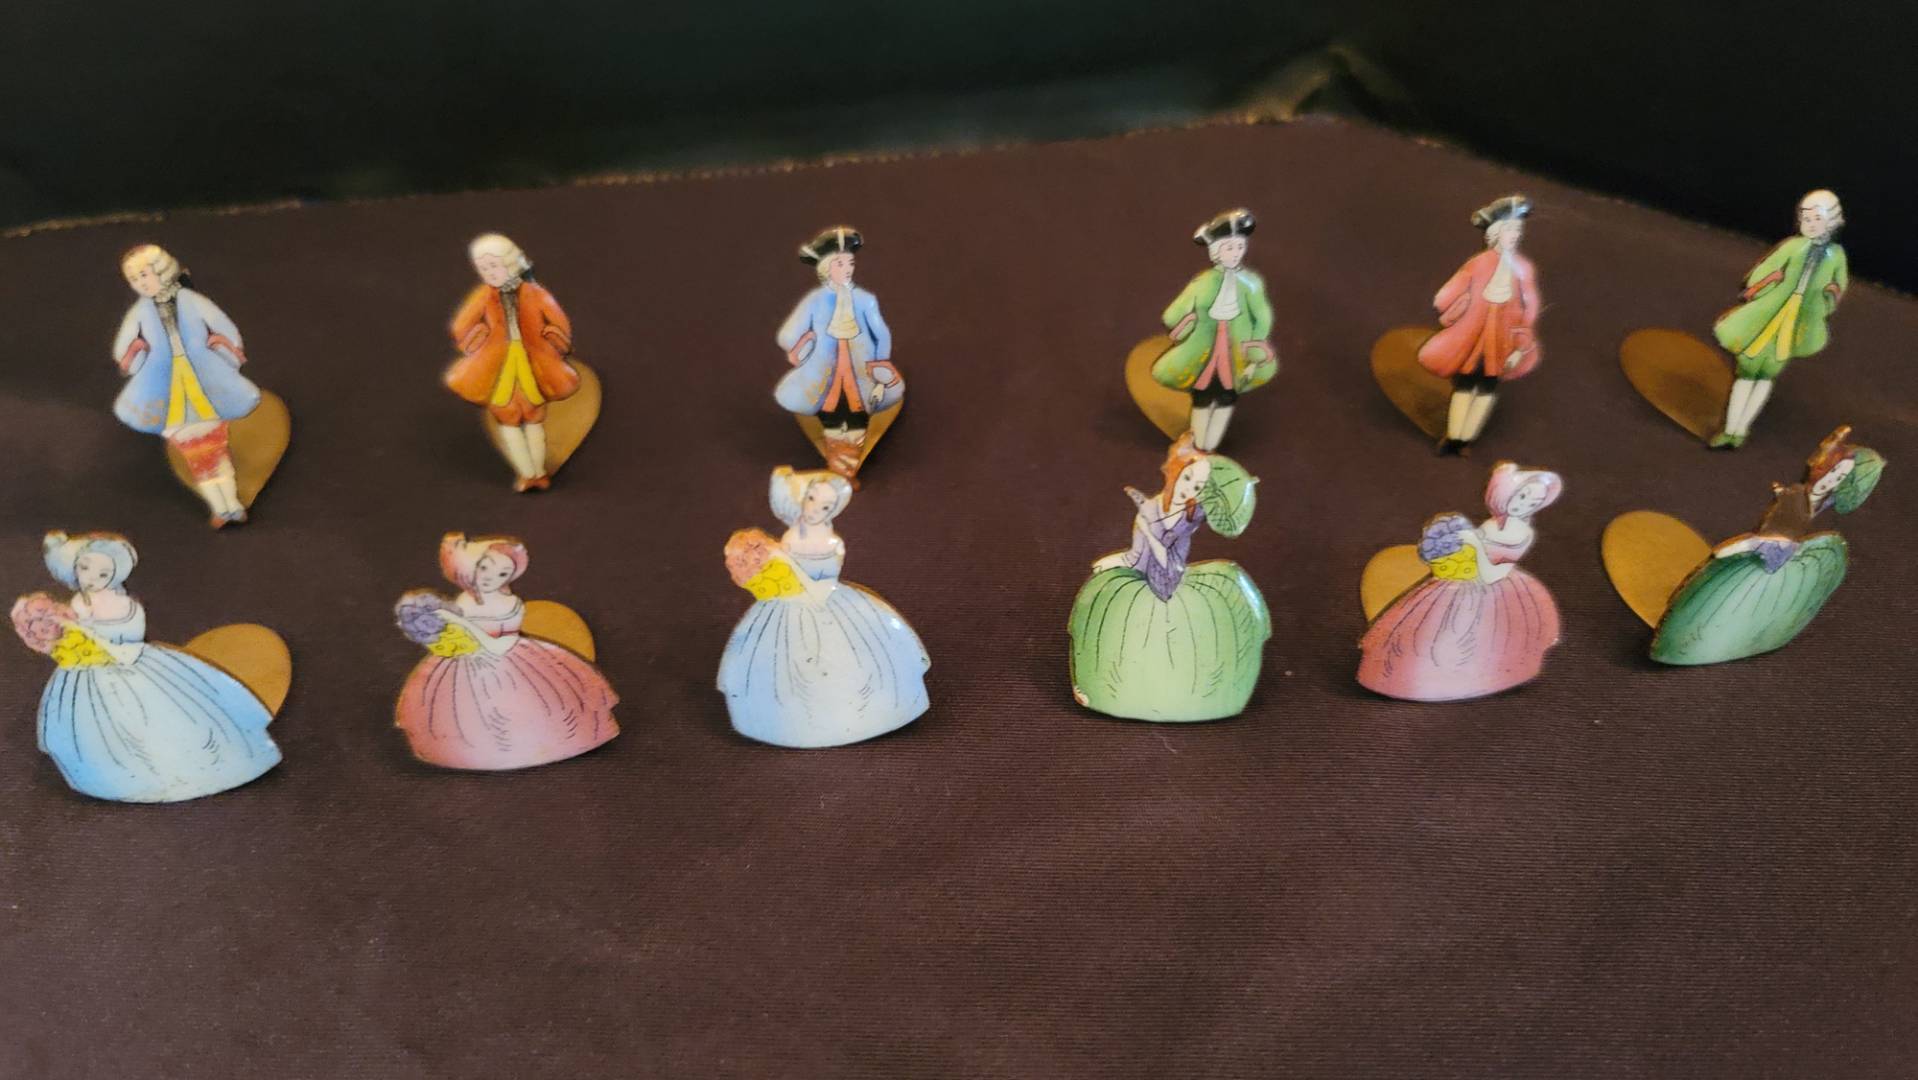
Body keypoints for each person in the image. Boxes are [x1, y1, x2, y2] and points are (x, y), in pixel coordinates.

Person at [15, 532, 281, 801]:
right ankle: (110, 775)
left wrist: (93, 634)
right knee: (91, 725)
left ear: (115, 575)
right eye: (85, 568)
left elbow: (130, 635)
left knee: (157, 711)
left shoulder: (123, 605)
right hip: (84, 674)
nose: (92, 578)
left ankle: (180, 768)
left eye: (103, 573)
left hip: (126, 663)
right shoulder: (75, 604)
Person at [720, 467, 930, 747]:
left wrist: (792, 572)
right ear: (802, 499)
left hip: (825, 602)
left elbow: (823, 582)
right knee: (779, 663)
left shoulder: (833, 544)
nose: (816, 510)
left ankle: (864, 716)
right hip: (787, 607)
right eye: (812, 500)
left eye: (826, 506)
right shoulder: (789, 539)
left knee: (851, 657)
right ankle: (786, 723)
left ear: (833, 510)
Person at [1069, 435, 1269, 721]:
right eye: (1187, 478)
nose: (1188, 487)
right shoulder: (1159, 504)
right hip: (1142, 565)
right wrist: (1144, 520)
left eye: (1197, 487)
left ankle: (1202, 693)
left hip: (1167, 576)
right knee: (1102, 601)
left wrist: (1148, 530)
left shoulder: (1187, 519)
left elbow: (1165, 559)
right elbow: (1143, 542)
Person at [1653, 426, 1883, 663]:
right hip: (1770, 544)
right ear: (1821, 467)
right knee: (1729, 561)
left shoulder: (1819, 499)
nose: (1831, 480)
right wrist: (1833, 442)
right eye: (1832, 471)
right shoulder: (1798, 493)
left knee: (1742, 562)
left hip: (1776, 550)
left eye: (1839, 478)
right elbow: (1816, 461)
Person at [394, 534, 619, 769]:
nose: (491, 578)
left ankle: (538, 742)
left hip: (509, 657)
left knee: (537, 701)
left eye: (503, 574)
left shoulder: (510, 605)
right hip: (466, 664)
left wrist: (460, 623)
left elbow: (499, 645)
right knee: (461, 712)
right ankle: (469, 752)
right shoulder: (463, 602)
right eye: (485, 568)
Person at [1358, 463, 1563, 701]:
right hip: (1461, 580)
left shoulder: (1523, 534)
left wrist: (1474, 545)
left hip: (1491, 590)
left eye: (1534, 501)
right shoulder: (1492, 524)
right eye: (1523, 496)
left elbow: (1491, 575)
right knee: (1423, 632)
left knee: (1465, 637)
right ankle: (1418, 681)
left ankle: (1471, 679)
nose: (1526, 504)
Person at [112, 245, 263, 526]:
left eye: (144, 274)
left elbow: (223, 328)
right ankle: (219, 507)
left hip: (202, 376)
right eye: (134, 279)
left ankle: (232, 503)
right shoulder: (140, 311)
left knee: (215, 445)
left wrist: (224, 353)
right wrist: (136, 355)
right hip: (164, 383)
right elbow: (124, 346)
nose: (140, 283)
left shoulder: (191, 300)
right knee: (194, 453)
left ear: (162, 270)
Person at [1709, 190, 1849, 447]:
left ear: (1831, 221)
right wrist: (1765, 283)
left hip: (1797, 320)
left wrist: (1830, 294)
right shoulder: (1793, 246)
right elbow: (1766, 270)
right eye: (1806, 219)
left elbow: (1838, 286)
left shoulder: (1836, 255)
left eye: (1817, 219)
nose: (1811, 224)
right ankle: (1729, 429)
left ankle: (1741, 430)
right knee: (1748, 368)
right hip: (1770, 313)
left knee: (1768, 373)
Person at [446, 234, 582, 490]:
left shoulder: (535, 293)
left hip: (534, 362)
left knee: (534, 412)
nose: (489, 272)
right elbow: (461, 325)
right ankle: (526, 473)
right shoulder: (484, 296)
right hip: (498, 364)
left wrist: (553, 340)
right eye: (483, 268)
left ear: (510, 262)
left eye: (493, 265)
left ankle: (539, 473)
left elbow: (559, 322)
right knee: (506, 412)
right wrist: (478, 338)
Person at [1416, 196, 1542, 454]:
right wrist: (1453, 307)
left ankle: (1467, 437)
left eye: (1518, 230)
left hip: (1501, 340)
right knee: (1465, 384)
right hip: (1473, 336)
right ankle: (1455, 437)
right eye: (1510, 230)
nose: (1515, 235)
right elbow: (1446, 295)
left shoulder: (1522, 269)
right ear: (1496, 232)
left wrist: (1520, 346)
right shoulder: (1479, 263)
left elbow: (1528, 310)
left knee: (1487, 387)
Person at [775, 227, 902, 480]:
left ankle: (848, 462)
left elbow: (882, 335)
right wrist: (805, 344)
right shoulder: (814, 301)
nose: (847, 269)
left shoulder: (865, 300)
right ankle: (839, 461)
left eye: (851, 263)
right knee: (828, 406)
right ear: (827, 267)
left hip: (861, 372)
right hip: (823, 373)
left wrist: (880, 370)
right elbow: (787, 335)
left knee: (858, 407)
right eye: (840, 263)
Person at [1151, 209, 1277, 451]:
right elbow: (1172, 314)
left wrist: (1254, 348)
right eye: (1229, 248)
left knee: (1228, 393)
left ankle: (1210, 446)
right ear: (1217, 251)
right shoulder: (1203, 282)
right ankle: (1200, 445)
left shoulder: (1251, 284)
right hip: (1204, 348)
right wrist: (1188, 321)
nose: (1236, 253)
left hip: (1237, 349)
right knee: (1203, 393)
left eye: (1240, 247)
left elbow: (1262, 317)